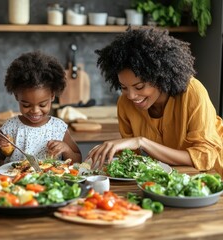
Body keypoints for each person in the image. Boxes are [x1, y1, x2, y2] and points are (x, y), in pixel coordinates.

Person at [86, 27, 223, 177]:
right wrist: (112, 151)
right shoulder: (125, 103)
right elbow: (133, 158)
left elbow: (205, 157)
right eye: (123, 87)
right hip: (173, 178)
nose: (131, 95)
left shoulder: (191, 92)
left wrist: (142, 142)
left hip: (214, 176)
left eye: (139, 86)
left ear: (160, 77)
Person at [0, 51, 82, 166]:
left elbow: (78, 160)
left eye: (42, 105)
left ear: (52, 96)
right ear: (16, 96)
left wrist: (66, 149)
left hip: (51, 182)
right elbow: (0, 159)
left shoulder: (58, 127)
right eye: (26, 105)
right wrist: (2, 148)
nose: (35, 111)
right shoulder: (11, 126)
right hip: (17, 181)